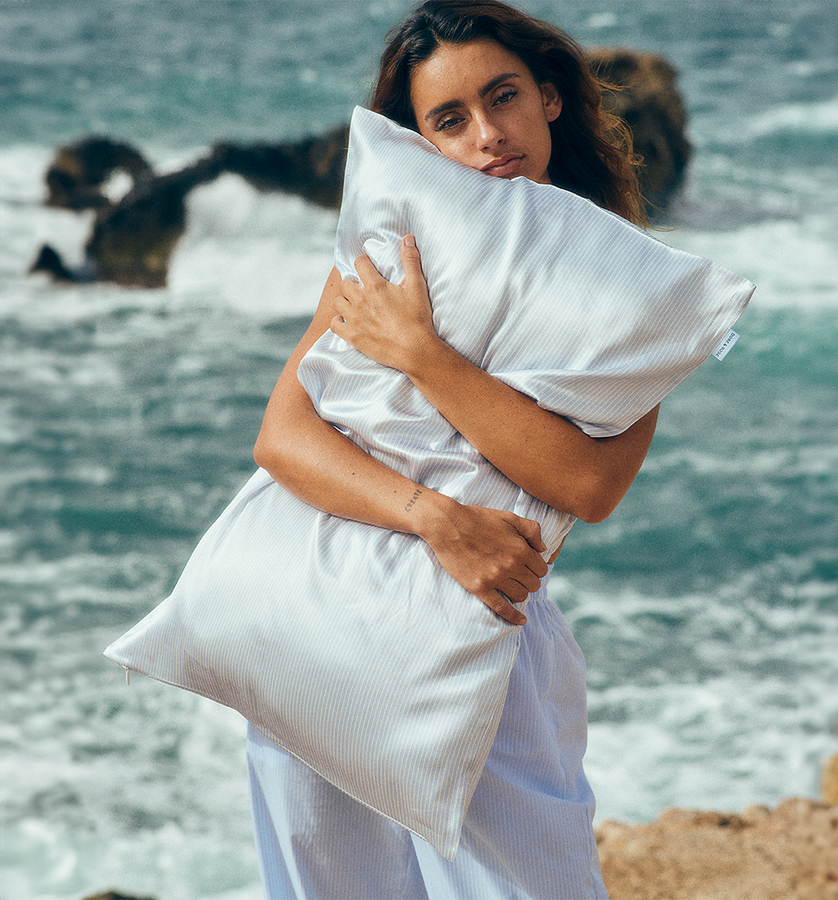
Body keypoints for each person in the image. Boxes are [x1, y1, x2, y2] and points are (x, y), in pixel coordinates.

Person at [248, 2, 657, 897]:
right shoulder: (386, 256)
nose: (487, 135)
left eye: (503, 96)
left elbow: (589, 485)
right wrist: (435, 519)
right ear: (421, 142)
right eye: (449, 118)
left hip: (482, 634)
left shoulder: (628, 281)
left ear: (549, 97)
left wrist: (421, 357)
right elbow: (281, 437)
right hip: (318, 611)